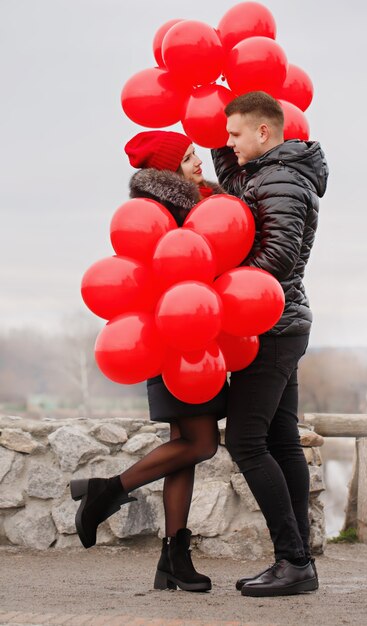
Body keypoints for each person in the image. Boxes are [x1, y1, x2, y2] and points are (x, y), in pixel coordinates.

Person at [71, 131, 227, 593]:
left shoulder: (200, 203)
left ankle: (173, 557)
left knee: (186, 452)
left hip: (196, 339)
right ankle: (107, 490)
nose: (198, 162)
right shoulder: (166, 213)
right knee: (201, 444)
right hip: (174, 342)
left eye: (196, 153)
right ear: (165, 170)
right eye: (187, 157)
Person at [211, 91, 328, 597]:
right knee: (281, 439)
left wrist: (220, 289)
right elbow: (237, 185)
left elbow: (276, 256)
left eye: (235, 134)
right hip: (280, 323)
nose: (228, 143)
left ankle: (293, 560)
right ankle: (299, 562)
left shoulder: (279, 178)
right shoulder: (270, 170)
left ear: (264, 133)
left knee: (245, 441)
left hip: (270, 325)